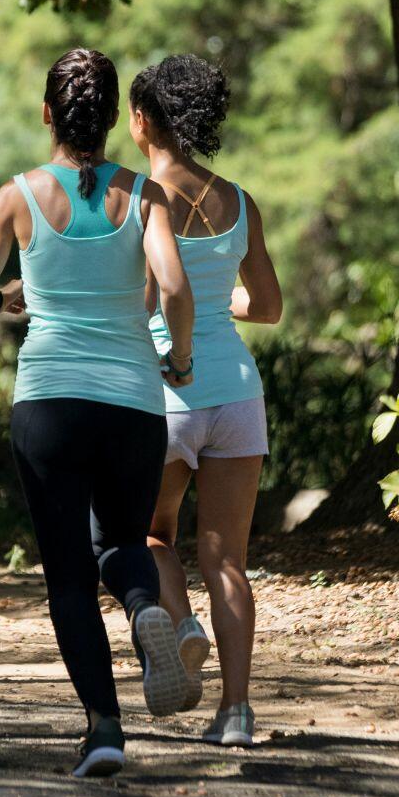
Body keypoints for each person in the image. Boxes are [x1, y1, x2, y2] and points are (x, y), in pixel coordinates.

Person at [0, 47, 199, 779]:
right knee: (121, 540)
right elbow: (175, 288)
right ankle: (145, 603)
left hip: (49, 403)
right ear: (116, 117)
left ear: (48, 113)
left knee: (65, 572)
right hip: (131, 401)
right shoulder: (144, 194)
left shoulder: (17, 197)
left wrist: (6, 300)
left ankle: (105, 725)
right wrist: (178, 360)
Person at [128, 55, 282, 749]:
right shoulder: (239, 199)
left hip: (165, 391)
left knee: (151, 535)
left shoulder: (137, 196)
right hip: (238, 395)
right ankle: (239, 710)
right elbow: (269, 305)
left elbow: (139, 299)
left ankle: (182, 625)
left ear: (144, 121)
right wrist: (221, 303)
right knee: (228, 559)